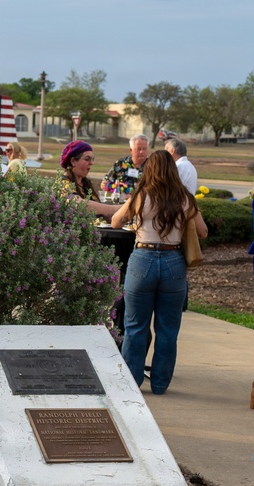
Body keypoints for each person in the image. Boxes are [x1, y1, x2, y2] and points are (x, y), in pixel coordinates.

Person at [112, 149, 207, 395]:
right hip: (173, 261)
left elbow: (115, 222)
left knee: (135, 326)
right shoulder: (185, 198)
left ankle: (131, 383)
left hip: (143, 259)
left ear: (149, 170)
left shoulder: (141, 195)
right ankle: (160, 384)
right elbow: (203, 231)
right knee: (167, 328)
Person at [58, 140, 115, 220]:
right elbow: (77, 204)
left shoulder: (86, 184)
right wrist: (115, 209)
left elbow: (100, 212)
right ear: (73, 161)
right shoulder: (62, 183)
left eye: (92, 159)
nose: (91, 163)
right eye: (87, 159)